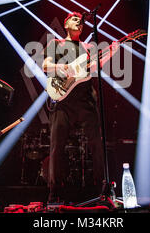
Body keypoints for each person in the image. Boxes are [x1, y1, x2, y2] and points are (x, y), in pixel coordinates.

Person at [42, 11, 119, 203]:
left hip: (85, 98)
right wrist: (63, 68)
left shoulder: (87, 47)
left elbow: (94, 67)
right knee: (56, 145)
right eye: (75, 19)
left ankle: (102, 188)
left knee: (97, 142)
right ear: (66, 23)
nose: (80, 23)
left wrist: (111, 53)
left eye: (82, 21)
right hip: (63, 99)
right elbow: (45, 65)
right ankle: (54, 191)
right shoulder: (56, 44)